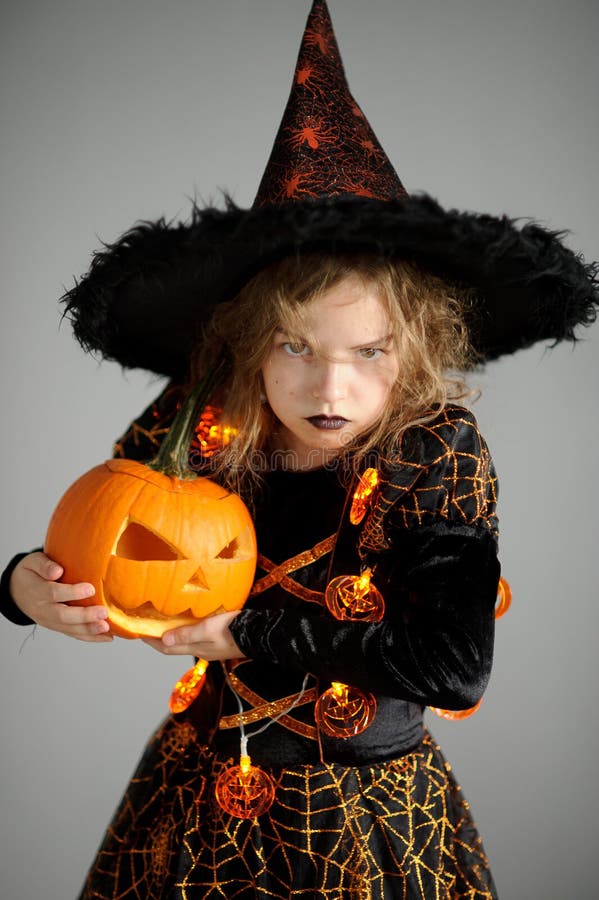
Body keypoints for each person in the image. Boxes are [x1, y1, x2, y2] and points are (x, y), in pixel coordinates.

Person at [1, 1, 597, 898]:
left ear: (419, 346)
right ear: (248, 342)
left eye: (369, 354)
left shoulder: (435, 449)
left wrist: (244, 631)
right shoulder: (203, 419)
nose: (330, 389)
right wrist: (20, 590)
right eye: (296, 348)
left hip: (363, 810)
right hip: (197, 793)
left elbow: (450, 665)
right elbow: (103, 536)